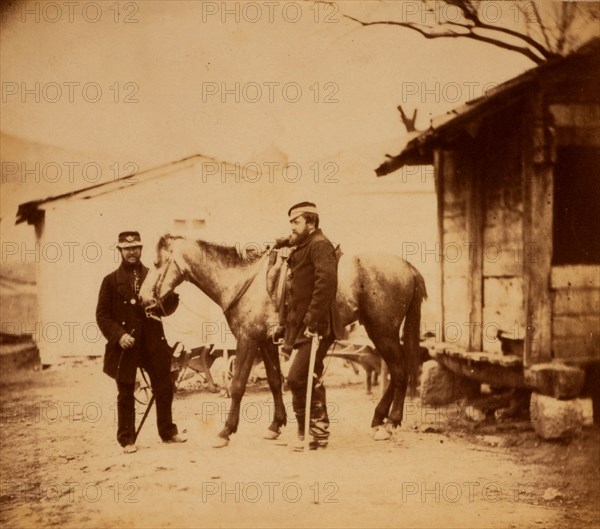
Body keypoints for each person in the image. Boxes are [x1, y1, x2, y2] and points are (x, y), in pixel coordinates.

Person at [96, 231, 186, 453]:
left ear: (141, 249)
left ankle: (167, 431)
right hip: (126, 345)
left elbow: (167, 309)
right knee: (126, 391)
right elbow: (102, 316)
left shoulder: (154, 275)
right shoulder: (110, 281)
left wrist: (171, 295)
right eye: (127, 248)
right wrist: (119, 336)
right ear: (120, 250)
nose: (132, 252)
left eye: (136, 247)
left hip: (152, 342)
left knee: (164, 387)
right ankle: (127, 439)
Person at [281, 202, 338, 450]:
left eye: (297, 222)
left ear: (311, 223)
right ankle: (311, 433)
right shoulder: (304, 245)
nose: (292, 227)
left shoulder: (320, 245)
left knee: (297, 376)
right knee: (306, 375)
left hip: (316, 325)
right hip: (302, 326)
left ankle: (315, 432)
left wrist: (312, 321)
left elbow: (325, 285)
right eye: (291, 222)